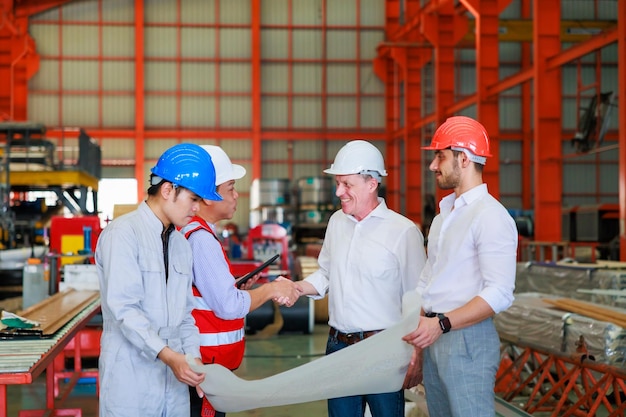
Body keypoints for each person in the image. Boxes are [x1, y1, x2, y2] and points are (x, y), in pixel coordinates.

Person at [294, 140, 427, 417]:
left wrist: (417, 354)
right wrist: (296, 288)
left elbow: (418, 299)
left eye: (347, 184)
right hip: (339, 347)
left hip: (385, 351)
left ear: (371, 183)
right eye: (338, 183)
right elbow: (326, 274)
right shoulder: (336, 222)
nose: (338, 191)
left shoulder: (402, 232)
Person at [402, 116, 518, 417]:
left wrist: (441, 323)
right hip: (434, 335)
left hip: (467, 339)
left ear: (464, 159)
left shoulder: (490, 216)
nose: (432, 165)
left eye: (440, 156)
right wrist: (418, 325)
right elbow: (430, 276)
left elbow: (500, 293)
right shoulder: (444, 217)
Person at [96, 143, 223, 417]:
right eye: (193, 198)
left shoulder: (180, 244)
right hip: (131, 381)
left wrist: (193, 361)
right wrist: (169, 357)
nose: (197, 208)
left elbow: (186, 315)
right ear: (168, 190)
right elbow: (125, 311)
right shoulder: (123, 234)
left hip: (173, 382)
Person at [182, 145, 301, 417]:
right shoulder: (201, 239)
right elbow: (228, 306)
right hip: (205, 367)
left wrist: (232, 285)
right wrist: (270, 289)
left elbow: (204, 293)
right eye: (231, 188)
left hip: (203, 364)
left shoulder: (193, 231)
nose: (236, 195)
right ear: (209, 196)